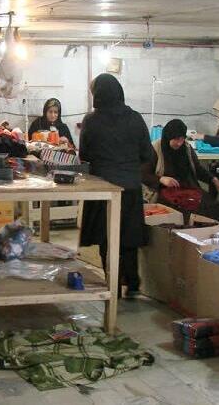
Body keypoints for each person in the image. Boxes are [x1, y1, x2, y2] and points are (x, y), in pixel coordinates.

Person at [79, 73, 153, 298]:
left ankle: (113, 285)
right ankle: (133, 285)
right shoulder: (135, 118)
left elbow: (84, 154)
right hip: (130, 187)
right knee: (129, 237)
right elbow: (147, 154)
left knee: (106, 238)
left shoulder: (91, 121)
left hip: (103, 187)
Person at [142, 119, 219, 221]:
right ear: (168, 136)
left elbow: (197, 169)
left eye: (182, 139)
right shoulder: (155, 149)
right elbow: (143, 174)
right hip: (163, 192)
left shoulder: (186, 148)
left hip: (187, 189)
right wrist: (161, 179)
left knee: (212, 207)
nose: (179, 143)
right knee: (182, 212)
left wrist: (213, 179)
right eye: (176, 139)